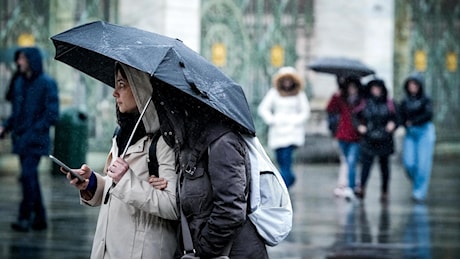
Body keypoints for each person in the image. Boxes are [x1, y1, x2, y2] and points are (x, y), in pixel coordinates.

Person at [65, 63, 178, 258]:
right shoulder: (122, 134)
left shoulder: (164, 142)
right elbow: (114, 187)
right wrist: (90, 183)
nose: (114, 93)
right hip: (110, 249)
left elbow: (173, 206)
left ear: (141, 89)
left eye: (122, 85)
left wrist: (126, 179)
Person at [149, 77, 269, 258]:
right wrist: (170, 186)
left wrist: (202, 250)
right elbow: (198, 200)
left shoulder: (222, 142)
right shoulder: (187, 144)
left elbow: (231, 210)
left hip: (232, 253)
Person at [0, 47, 59, 232]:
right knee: (30, 178)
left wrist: (34, 131)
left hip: (35, 141)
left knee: (27, 176)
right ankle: (40, 218)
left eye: (23, 59)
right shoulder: (19, 82)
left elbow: (52, 114)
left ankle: (24, 217)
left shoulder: (47, 83)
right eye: (19, 59)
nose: (19, 62)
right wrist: (6, 127)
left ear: (32, 60)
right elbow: (17, 113)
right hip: (21, 139)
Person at [257, 66, 311, 189]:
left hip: (292, 132)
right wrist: (272, 120)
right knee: (280, 160)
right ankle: (289, 178)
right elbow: (263, 109)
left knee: (286, 160)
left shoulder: (299, 95)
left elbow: (305, 112)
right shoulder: (274, 93)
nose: (287, 83)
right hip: (277, 131)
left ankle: (282, 187)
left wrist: (295, 121)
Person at [354, 78, 398, 202]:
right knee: (366, 166)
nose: (376, 91)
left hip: (385, 139)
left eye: (378, 88)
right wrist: (360, 127)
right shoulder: (364, 103)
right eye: (374, 88)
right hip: (369, 139)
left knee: (384, 167)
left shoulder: (389, 103)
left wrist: (392, 125)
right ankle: (362, 187)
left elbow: (397, 117)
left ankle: (385, 190)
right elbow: (356, 117)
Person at [398, 73, 436, 203]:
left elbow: (429, 114)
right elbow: (400, 116)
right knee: (409, 163)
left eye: (415, 84)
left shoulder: (426, 99)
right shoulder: (404, 101)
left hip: (424, 131)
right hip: (410, 133)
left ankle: (419, 192)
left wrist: (414, 121)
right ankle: (417, 182)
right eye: (410, 84)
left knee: (423, 164)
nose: (412, 87)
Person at [327, 75, 363, 199]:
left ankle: (351, 187)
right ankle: (347, 184)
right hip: (343, 135)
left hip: (356, 136)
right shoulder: (341, 99)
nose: (352, 90)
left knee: (351, 161)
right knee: (347, 161)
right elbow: (330, 108)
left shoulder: (361, 101)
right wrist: (335, 95)